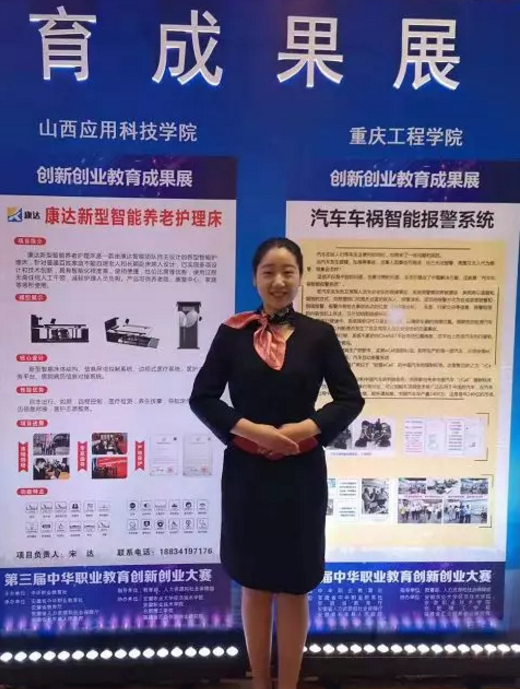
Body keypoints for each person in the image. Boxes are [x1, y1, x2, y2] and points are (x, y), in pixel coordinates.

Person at [189, 238, 364, 689]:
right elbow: (202, 397)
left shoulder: (319, 335)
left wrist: (305, 428)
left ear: (300, 277)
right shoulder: (232, 333)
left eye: (288, 271)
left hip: (300, 475)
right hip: (247, 475)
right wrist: (253, 430)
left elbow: (350, 398)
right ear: (254, 279)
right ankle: (259, 683)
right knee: (254, 581)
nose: (279, 281)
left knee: (294, 583)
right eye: (269, 272)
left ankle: (288, 684)